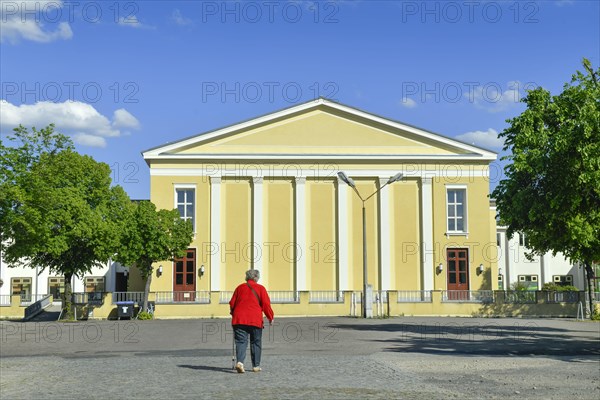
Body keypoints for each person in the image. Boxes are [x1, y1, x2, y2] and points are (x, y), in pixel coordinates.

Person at [229, 269, 274, 373]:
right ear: (256, 278)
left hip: (239, 319)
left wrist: (233, 314)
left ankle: (240, 362)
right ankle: (256, 366)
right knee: (256, 342)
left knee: (241, 342)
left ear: (247, 277)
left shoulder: (239, 288)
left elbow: (232, 303)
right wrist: (270, 317)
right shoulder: (261, 288)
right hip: (255, 320)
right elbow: (266, 305)